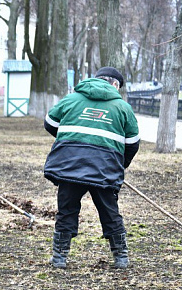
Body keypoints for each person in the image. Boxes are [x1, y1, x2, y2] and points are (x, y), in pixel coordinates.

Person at [43, 67, 140, 269]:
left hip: (70, 166)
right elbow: (132, 143)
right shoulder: (122, 108)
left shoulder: (71, 99)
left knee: (66, 210)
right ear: (114, 84)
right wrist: (119, 165)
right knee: (109, 211)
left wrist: (71, 143)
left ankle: (59, 257)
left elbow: (50, 123)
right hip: (104, 168)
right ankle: (121, 258)